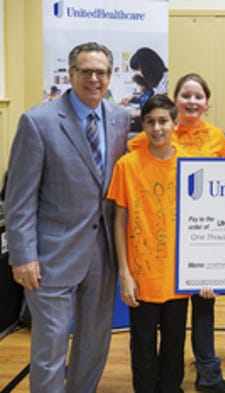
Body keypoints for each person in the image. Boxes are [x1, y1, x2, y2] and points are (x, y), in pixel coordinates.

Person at [4, 42, 130, 393]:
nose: (94, 79)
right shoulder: (38, 121)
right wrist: (23, 255)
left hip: (102, 253)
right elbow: (19, 199)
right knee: (50, 348)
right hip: (50, 256)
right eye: (86, 71)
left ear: (110, 76)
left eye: (102, 72)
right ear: (71, 73)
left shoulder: (119, 118)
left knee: (94, 342)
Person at [128, 73, 225, 393]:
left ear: (207, 103)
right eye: (185, 96)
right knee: (162, 326)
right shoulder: (144, 142)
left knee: (202, 310)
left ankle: (207, 373)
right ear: (175, 103)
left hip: (200, 239)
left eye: (198, 96)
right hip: (161, 243)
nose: (191, 101)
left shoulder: (219, 140)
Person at [107, 95, 189, 393]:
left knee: (174, 343)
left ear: (175, 124)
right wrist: (124, 273)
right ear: (142, 125)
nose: (157, 128)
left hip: (178, 277)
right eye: (151, 122)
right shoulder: (127, 166)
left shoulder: (190, 167)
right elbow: (119, 220)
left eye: (163, 121)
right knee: (141, 346)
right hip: (141, 276)